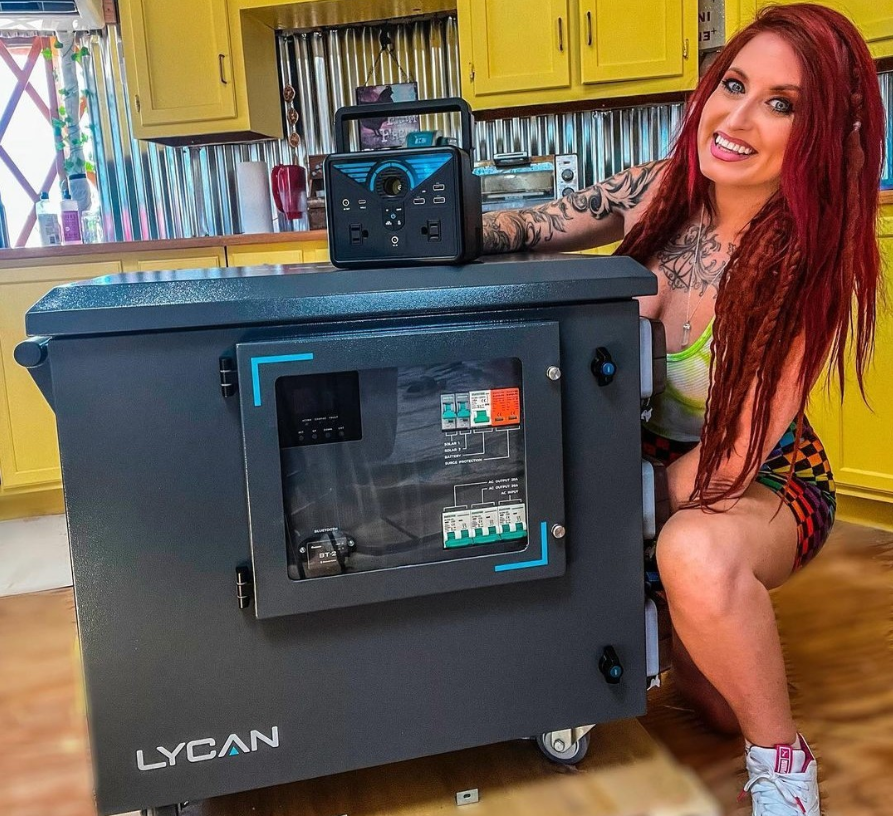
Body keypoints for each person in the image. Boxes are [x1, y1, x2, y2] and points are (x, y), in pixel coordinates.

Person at [481, 4, 885, 815]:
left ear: (821, 135)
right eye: (732, 85)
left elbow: (727, 462)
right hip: (642, 459)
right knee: (699, 695)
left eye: (781, 104)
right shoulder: (657, 188)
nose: (735, 121)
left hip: (764, 477)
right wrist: (415, 224)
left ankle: (783, 768)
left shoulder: (805, 262)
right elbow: (525, 227)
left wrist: (593, 522)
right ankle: (684, 625)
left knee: (691, 556)